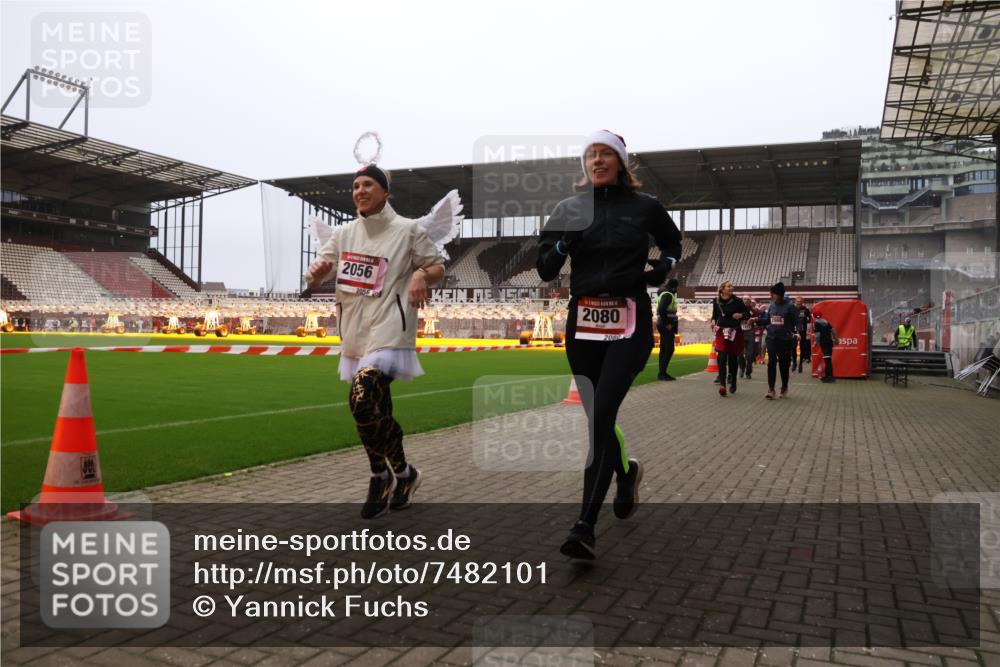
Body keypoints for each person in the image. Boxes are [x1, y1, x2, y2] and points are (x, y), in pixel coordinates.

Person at [537, 129, 682, 560]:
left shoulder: (645, 207)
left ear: (621, 162)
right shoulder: (568, 208)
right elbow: (545, 268)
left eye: (605, 154)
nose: (597, 161)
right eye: (591, 155)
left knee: (602, 416)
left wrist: (664, 267)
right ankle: (626, 470)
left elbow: (672, 244)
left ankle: (584, 525)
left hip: (629, 321)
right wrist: (564, 241)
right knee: (595, 418)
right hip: (582, 324)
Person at [305, 163, 446, 520]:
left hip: (390, 330)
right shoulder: (343, 234)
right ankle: (404, 474)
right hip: (354, 333)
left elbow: (437, 267)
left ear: (385, 192)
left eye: (368, 184)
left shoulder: (408, 230)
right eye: (355, 186)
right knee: (372, 409)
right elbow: (315, 276)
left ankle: (378, 475)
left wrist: (419, 274)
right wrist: (314, 276)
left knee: (362, 395)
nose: (360, 191)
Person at [711, 281, 751, 396]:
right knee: (722, 356)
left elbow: (747, 314)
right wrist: (713, 321)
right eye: (728, 286)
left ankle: (733, 381)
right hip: (721, 331)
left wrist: (740, 315)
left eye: (732, 286)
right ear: (722, 289)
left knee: (733, 358)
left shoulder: (738, 301)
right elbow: (714, 315)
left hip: (734, 331)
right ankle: (723, 385)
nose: (731, 288)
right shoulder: (716, 301)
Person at [761, 281, 799, 399]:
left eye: (772, 294)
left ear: (780, 294)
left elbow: (797, 322)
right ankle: (771, 389)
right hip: (771, 338)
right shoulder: (771, 306)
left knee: (784, 364)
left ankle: (784, 386)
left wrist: (797, 333)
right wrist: (756, 320)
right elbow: (767, 320)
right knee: (771, 362)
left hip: (785, 340)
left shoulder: (790, 307)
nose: (771, 296)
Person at [656, 278, 680, 381]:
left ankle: (661, 373)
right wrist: (667, 324)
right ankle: (662, 373)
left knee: (663, 348)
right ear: (674, 287)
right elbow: (661, 309)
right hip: (666, 325)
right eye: (676, 288)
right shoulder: (668, 295)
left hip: (662, 323)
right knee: (669, 349)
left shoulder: (663, 293)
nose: (676, 290)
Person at [812, 307, 838, 383]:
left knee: (827, 360)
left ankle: (829, 377)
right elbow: (833, 330)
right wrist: (836, 340)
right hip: (830, 342)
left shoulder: (816, 323)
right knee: (828, 359)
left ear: (814, 316)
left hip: (824, 343)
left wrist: (815, 343)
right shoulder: (826, 322)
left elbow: (817, 335)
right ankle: (829, 376)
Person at [738, 296, 756, 380]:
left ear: (750, 302)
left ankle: (748, 372)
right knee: (740, 354)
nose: (745, 301)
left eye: (747, 300)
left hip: (750, 333)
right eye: (744, 300)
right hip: (740, 333)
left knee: (750, 355)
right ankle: (742, 368)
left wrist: (753, 320)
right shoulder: (738, 310)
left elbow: (758, 320)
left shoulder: (753, 310)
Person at [794, 296, 812, 373]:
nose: (799, 302)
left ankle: (800, 364)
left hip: (802, 331)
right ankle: (794, 362)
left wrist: (805, 322)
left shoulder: (806, 310)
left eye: (800, 301)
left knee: (802, 347)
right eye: (797, 301)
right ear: (795, 301)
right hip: (794, 331)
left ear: (802, 302)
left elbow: (810, 319)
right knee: (793, 347)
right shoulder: (792, 308)